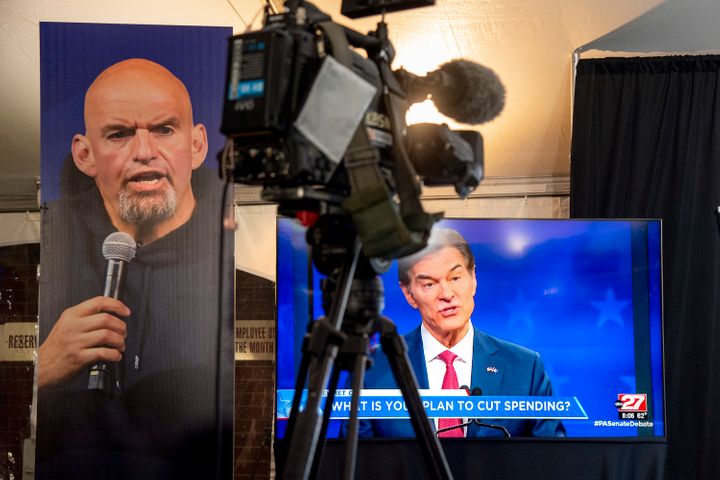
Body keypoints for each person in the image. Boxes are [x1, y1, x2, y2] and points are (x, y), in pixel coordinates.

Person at [36, 59, 234, 479]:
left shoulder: (241, 257)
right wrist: (40, 367)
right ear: (85, 155)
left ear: (197, 145)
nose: (144, 152)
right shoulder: (42, 248)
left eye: (164, 129)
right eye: (119, 134)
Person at [356, 227, 566, 438]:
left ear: (473, 278)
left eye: (455, 278)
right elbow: (355, 461)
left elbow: (552, 460)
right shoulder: (373, 368)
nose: (447, 294)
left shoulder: (524, 367)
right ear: (409, 294)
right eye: (429, 284)